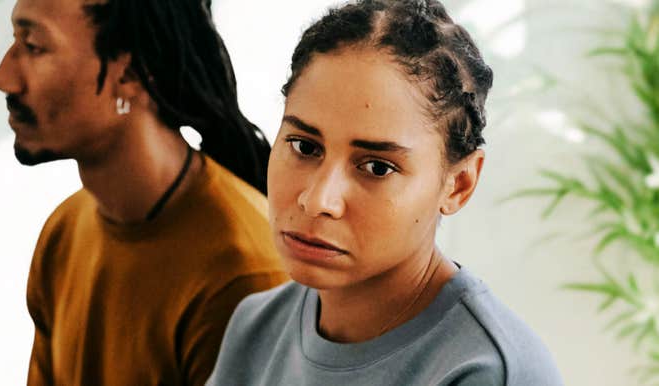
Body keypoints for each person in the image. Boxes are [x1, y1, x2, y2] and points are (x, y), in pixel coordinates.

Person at [208, 0, 563, 384]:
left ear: (458, 185)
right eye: (305, 147)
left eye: (377, 167)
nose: (318, 200)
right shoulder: (256, 327)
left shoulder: (487, 371)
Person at [0, 0, 288, 384]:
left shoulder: (242, 275)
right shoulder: (64, 232)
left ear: (130, 73)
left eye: (33, 46)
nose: (5, 77)